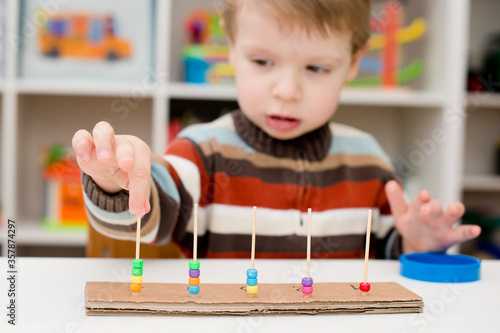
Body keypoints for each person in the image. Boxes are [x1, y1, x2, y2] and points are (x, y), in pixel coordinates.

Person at [72, 0, 480, 259]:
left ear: (354, 63)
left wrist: (414, 246)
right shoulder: (200, 152)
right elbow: (144, 222)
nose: (286, 91)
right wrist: (115, 185)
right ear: (230, 48)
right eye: (263, 62)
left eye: (316, 68)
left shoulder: (368, 160)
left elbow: (386, 252)